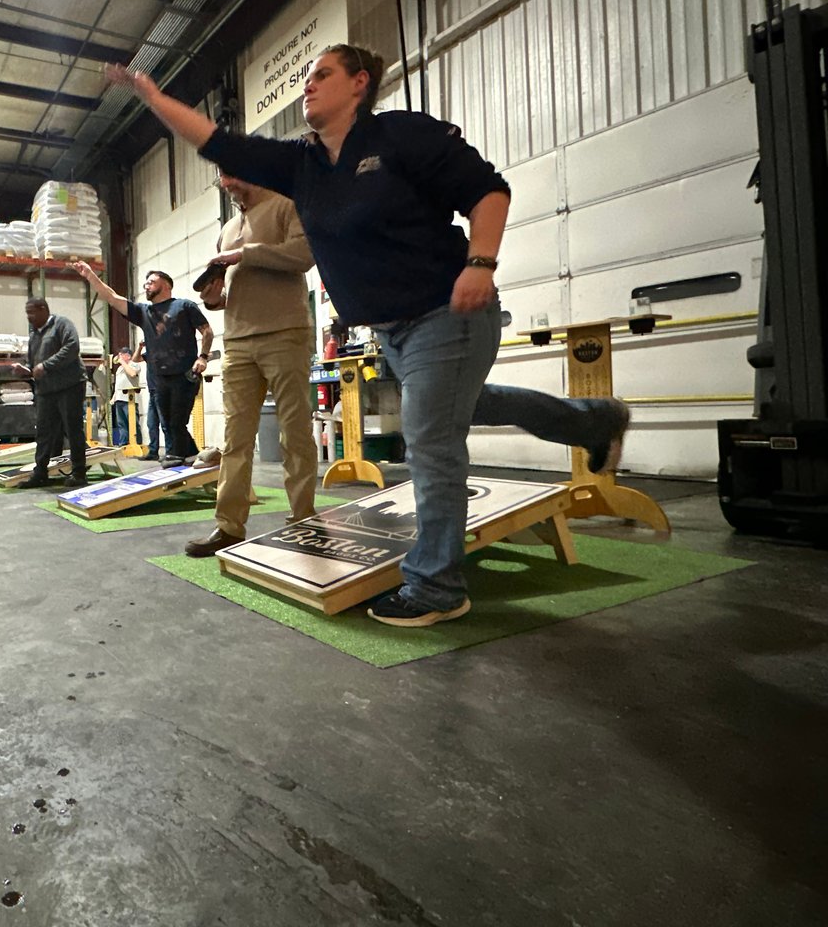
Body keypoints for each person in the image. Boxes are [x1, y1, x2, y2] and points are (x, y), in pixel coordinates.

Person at [106, 45, 630, 628]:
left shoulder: (402, 136)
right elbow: (219, 142)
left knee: (430, 440)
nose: (308, 88)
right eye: (305, 80)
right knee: (465, 406)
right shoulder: (303, 166)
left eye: (321, 76)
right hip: (392, 330)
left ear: (359, 83)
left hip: (446, 311)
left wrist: (480, 263)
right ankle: (591, 419)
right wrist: (154, 99)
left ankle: (436, 585)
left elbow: (488, 191)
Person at [184, 174, 318, 557]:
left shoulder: (286, 204)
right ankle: (228, 526)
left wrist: (245, 254)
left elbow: (304, 255)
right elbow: (229, 294)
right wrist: (214, 298)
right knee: (234, 438)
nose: (229, 188)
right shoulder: (227, 229)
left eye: (233, 179)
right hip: (238, 339)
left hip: (285, 332)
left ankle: (303, 520)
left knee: (294, 431)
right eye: (223, 183)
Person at [71, 263, 213, 466]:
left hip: (184, 374)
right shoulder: (143, 312)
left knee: (176, 422)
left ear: (166, 285)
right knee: (169, 424)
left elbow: (207, 331)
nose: (146, 286)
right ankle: (193, 457)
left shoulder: (184, 306)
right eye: (145, 283)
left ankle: (176, 458)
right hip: (159, 378)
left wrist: (203, 357)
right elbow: (111, 297)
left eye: (151, 282)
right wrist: (91, 276)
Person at [17, 297, 89, 488]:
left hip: (69, 386)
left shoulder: (62, 324)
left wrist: (46, 366)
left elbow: (72, 347)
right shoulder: (34, 335)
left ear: (43, 309)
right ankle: (40, 473)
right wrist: (25, 368)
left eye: (31, 312)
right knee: (43, 432)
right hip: (46, 390)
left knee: (72, 429)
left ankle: (79, 472)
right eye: (27, 313)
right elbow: (32, 362)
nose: (28, 317)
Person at [132, 341, 163, 460]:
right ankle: (153, 451)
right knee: (151, 423)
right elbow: (135, 359)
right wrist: (139, 347)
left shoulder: (162, 352)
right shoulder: (149, 353)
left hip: (160, 390)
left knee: (165, 424)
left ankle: (172, 450)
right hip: (152, 391)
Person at [109, 347, 140, 446]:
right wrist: (114, 397)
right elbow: (119, 384)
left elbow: (132, 374)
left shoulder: (134, 365)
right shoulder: (120, 368)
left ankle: (137, 443)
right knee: (121, 423)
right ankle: (123, 444)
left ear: (128, 356)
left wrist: (123, 362)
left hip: (129, 399)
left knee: (133, 422)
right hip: (119, 399)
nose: (120, 357)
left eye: (122, 354)